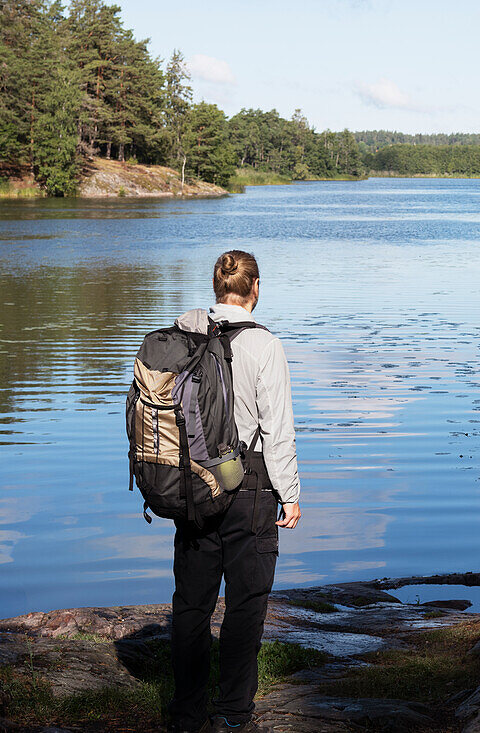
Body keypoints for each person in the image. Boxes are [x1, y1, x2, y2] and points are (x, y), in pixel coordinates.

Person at [167, 250, 302, 733]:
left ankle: (185, 713)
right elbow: (278, 430)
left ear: (216, 287)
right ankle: (234, 713)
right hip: (250, 487)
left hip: (194, 488)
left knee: (191, 604)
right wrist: (290, 493)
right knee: (246, 604)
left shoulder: (185, 336)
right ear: (256, 288)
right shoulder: (264, 345)